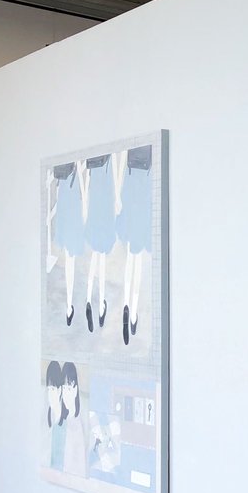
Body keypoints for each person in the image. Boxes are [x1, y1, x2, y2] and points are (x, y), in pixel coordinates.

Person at [115, 144, 153, 346]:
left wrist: (118, 195)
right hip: (144, 190)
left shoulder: (131, 148)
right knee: (137, 259)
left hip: (130, 188)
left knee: (131, 256)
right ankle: (133, 311)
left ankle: (126, 304)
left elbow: (122, 159)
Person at [82, 154, 118, 333]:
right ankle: (101, 305)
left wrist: (86, 206)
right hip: (105, 207)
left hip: (94, 207)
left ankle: (88, 299)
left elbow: (87, 182)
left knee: (94, 258)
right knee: (101, 258)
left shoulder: (93, 161)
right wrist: (117, 198)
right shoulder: (110, 158)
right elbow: (115, 177)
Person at [51, 161, 85, 326]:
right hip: (72, 208)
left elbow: (57, 188)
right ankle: (70, 302)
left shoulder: (61, 172)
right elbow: (82, 188)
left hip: (65, 208)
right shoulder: (76, 166)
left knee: (68, 260)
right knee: (70, 259)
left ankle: (69, 304)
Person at [60, 362, 88, 477]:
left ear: (75, 388)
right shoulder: (60, 420)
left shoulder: (82, 419)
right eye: (64, 388)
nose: (66, 393)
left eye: (69, 387)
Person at [45, 360, 66, 471]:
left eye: (53, 389)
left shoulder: (66, 424)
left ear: (60, 390)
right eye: (48, 389)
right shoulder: (47, 418)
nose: (50, 394)